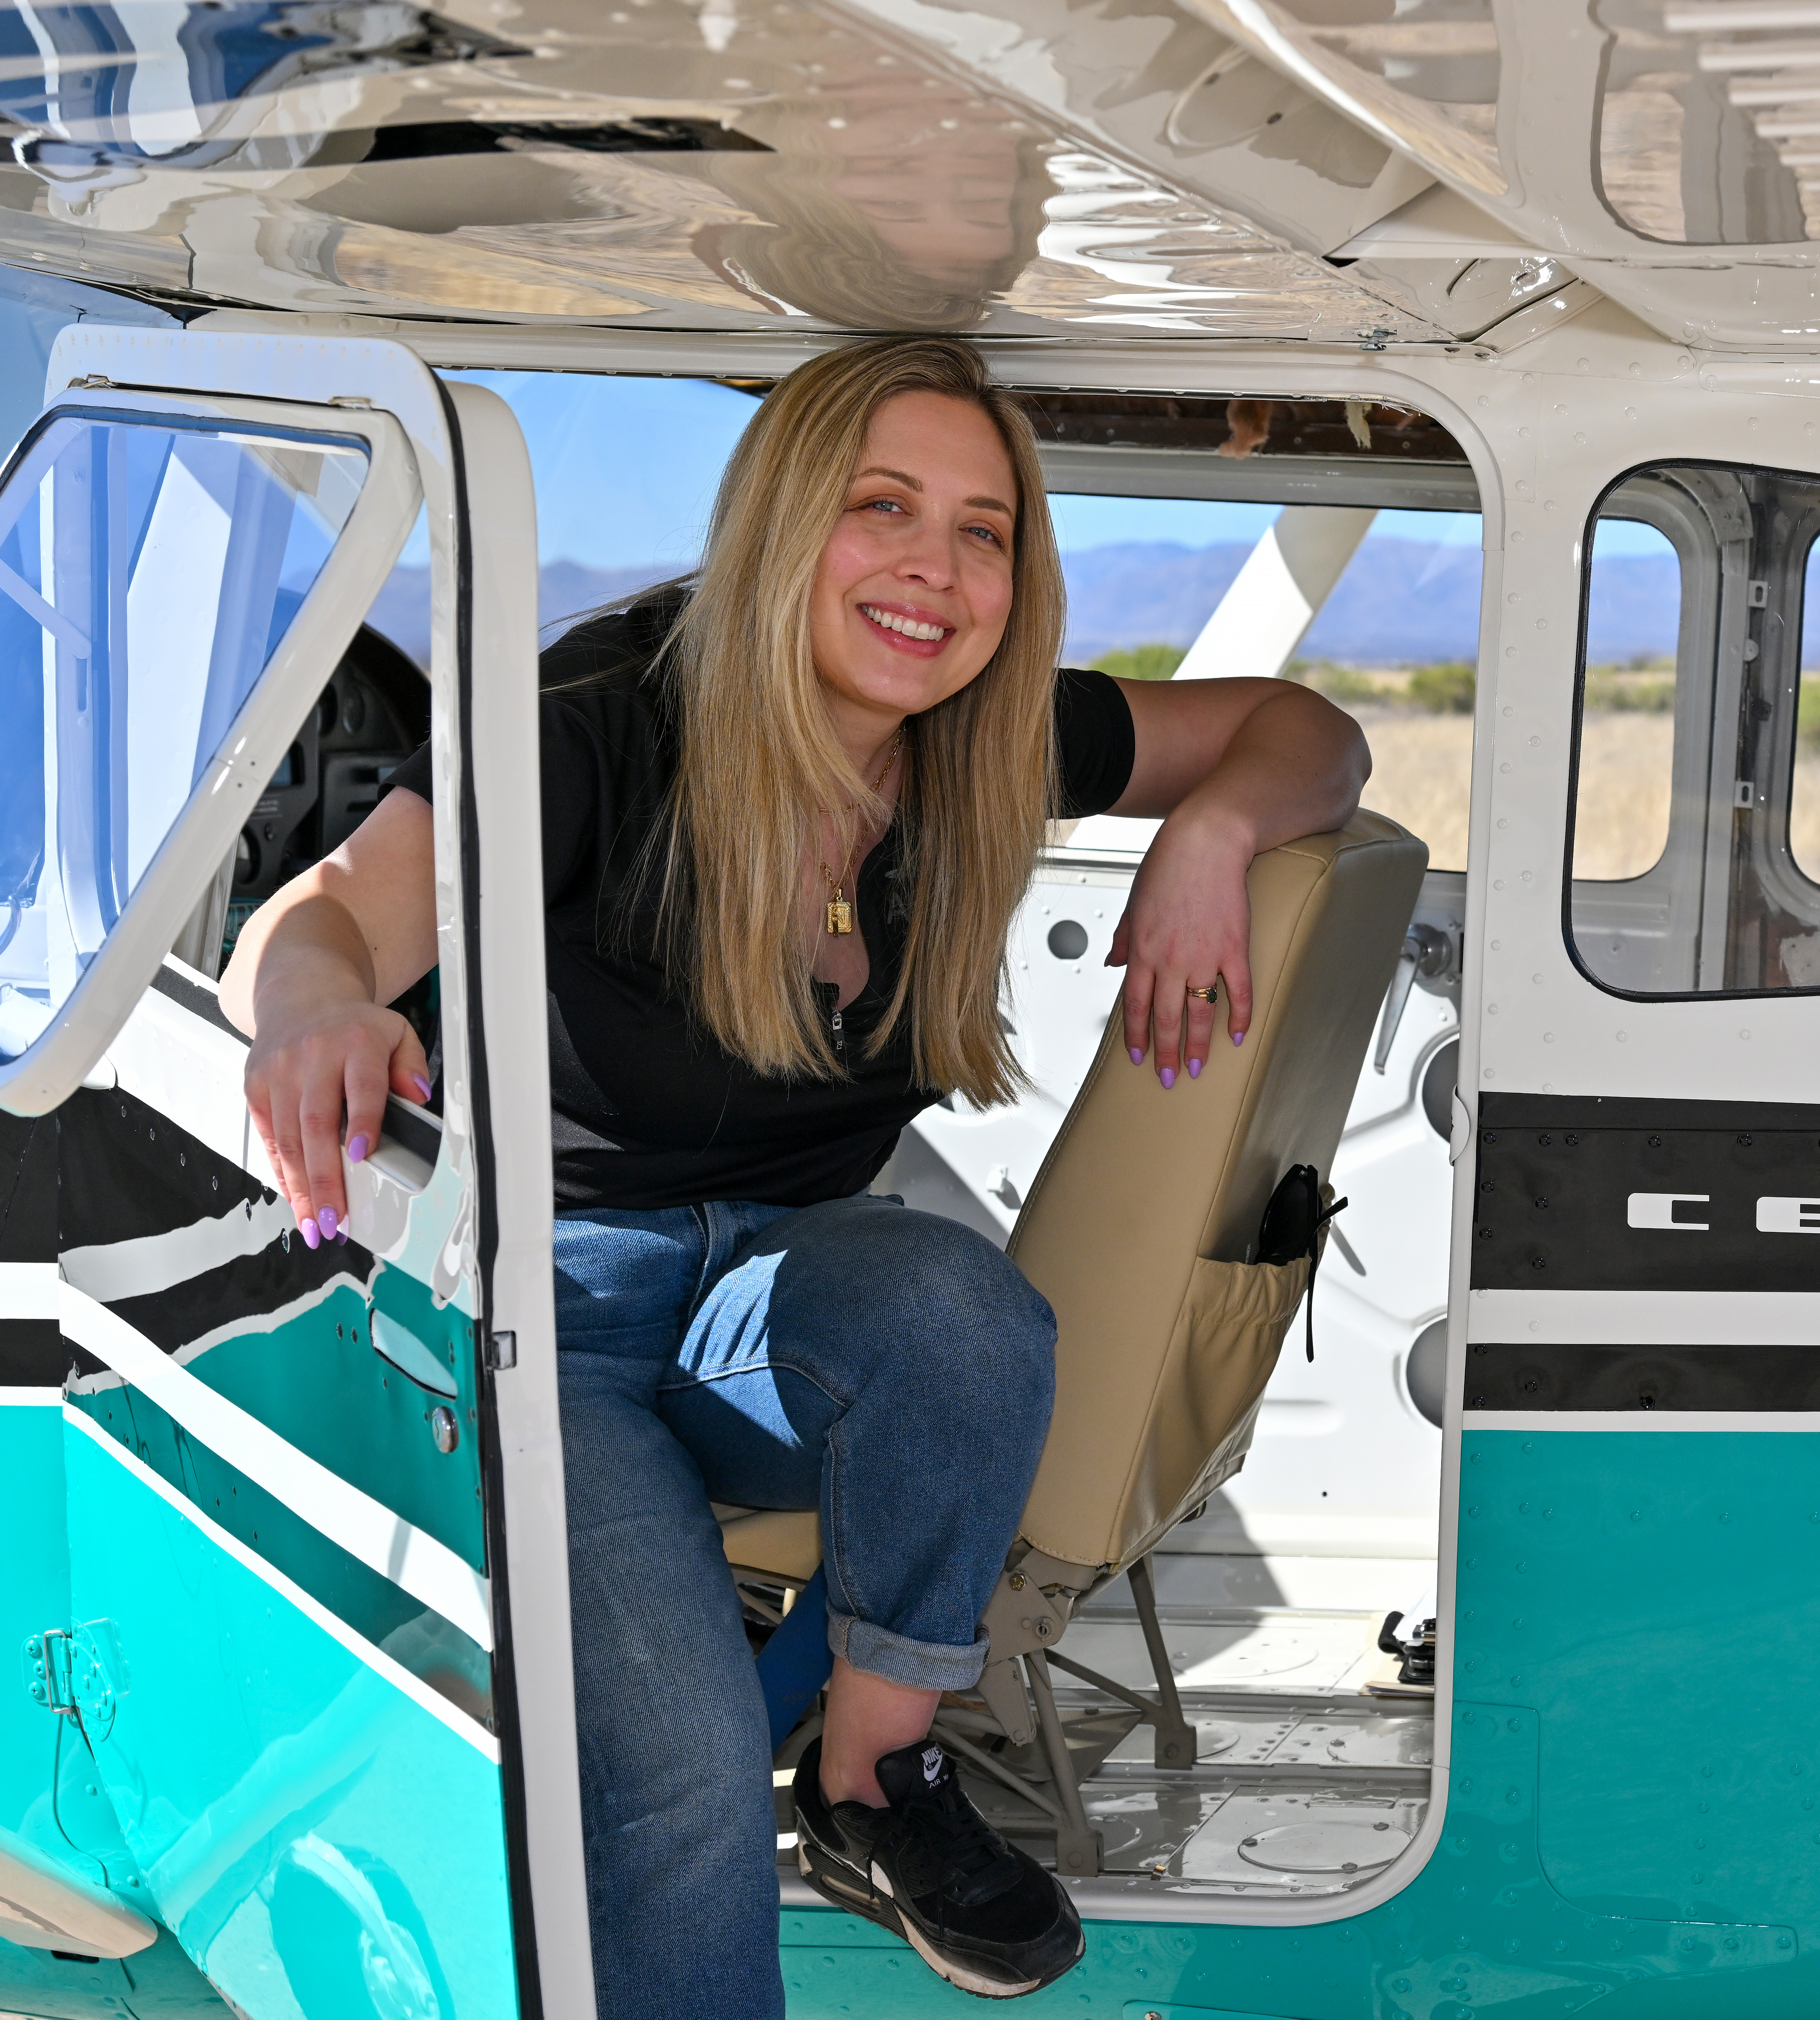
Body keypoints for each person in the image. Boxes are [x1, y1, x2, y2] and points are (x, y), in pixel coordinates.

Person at [217, 336, 1369, 2013]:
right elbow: (313, 921)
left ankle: (868, 1779)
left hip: (777, 1292)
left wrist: (1204, 837)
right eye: (881, 507)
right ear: (778, 525)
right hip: (555, 1321)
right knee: (674, 1785)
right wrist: (318, 1008)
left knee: (964, 1315)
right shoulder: (602, 726)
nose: (935, 568)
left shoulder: (988, 738)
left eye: (985, 532)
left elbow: (1302, 732)